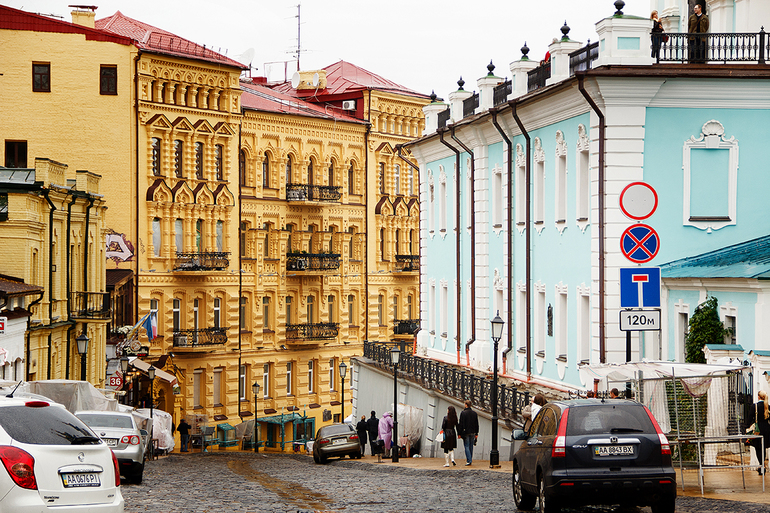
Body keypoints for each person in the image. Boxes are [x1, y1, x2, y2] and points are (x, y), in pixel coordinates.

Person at [749, 390, 770, 475]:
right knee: (763, 447)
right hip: (767, 430)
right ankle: (762, 465)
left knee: (758, 448)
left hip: (757, 430)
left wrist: (747, 427)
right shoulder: (768, 406)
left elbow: (749, 418)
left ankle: (762, 466)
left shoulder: (754, 406)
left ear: (758, 397)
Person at [457, 400, 479, 466]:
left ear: (466, 405)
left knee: (466, 446)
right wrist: (476, 433)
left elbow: (461, 424)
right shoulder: (474, 413)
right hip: (473, 431)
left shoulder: (463, 413)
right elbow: (476, 424)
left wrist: (459, 433)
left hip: (465, 431)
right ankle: (470, 459)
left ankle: (469, 460)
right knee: (471, 446)